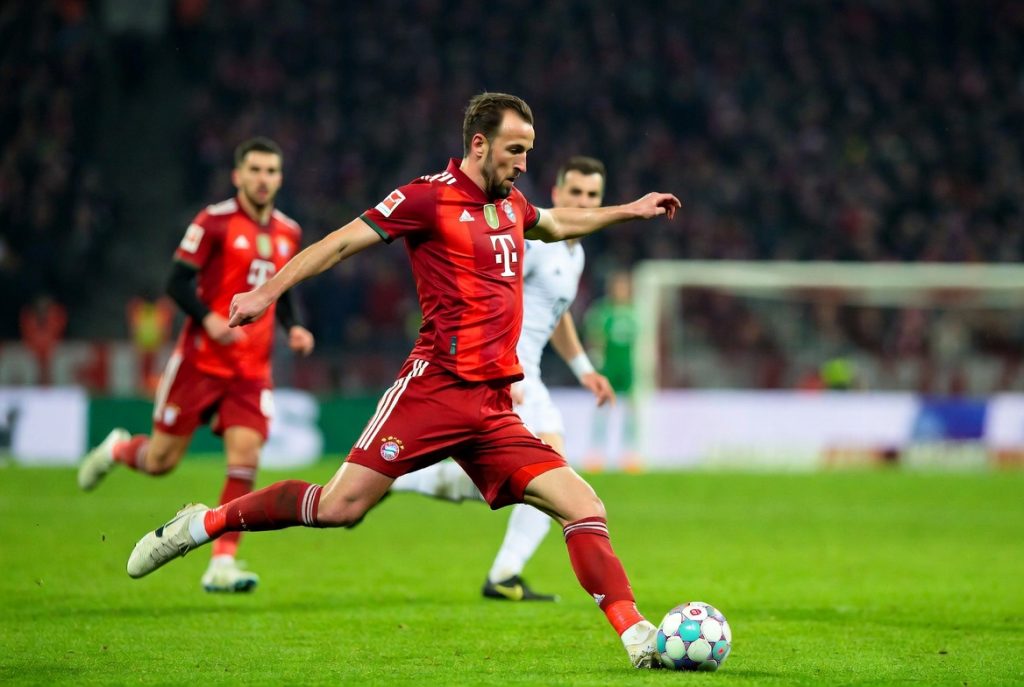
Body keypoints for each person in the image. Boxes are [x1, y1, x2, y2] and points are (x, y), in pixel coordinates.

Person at [125, 93, 679, 669]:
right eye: (515, 150)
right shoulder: (426, 198)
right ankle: (203, 523)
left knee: (584, 505)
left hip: (493, 407)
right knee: (339, 507)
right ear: (479, 144)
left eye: (528, 152)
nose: (523, 164)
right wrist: (267, 293)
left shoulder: (511, 203)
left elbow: (558, 221)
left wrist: (631, 210)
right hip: (432, 390)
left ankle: (638, 637)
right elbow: (340, 243)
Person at [78, 137, 315, 593]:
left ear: (280, 178)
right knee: (160, 461)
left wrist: (294, 327)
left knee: (245, 457)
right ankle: (119, 450)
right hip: (200, 364)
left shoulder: (289, 231)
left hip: (250, 370)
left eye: (271, 171)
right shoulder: (214, 221)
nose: (263, 179)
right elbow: (176, 282)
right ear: (237, 175)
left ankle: (222, 563)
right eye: (255, 170)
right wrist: (209, 320)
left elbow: (278, 289)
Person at [389, 156, 615, 603]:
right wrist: (502, 369)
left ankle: (402, 481)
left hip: (529, 371)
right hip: (507, 369)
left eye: (592, 195)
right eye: (575, 192)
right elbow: (492, 294)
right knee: (550, 471)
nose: (583, 202)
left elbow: (557, 314)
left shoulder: (575, 253)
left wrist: (584, 369)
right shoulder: (534, 244)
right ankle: (504, 573)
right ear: (556, 194)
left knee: (536, 476)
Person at [584, 270, 640, 471]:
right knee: (602, 410)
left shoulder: (635, 312)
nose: (620, 290)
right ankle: (596, 454)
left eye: (624, 287)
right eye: (618, 286)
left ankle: (630, 455)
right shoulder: (603, 312)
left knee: (631, 412)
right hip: (608, 367)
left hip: (628, 368)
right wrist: (595, 359)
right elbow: (595, 336)